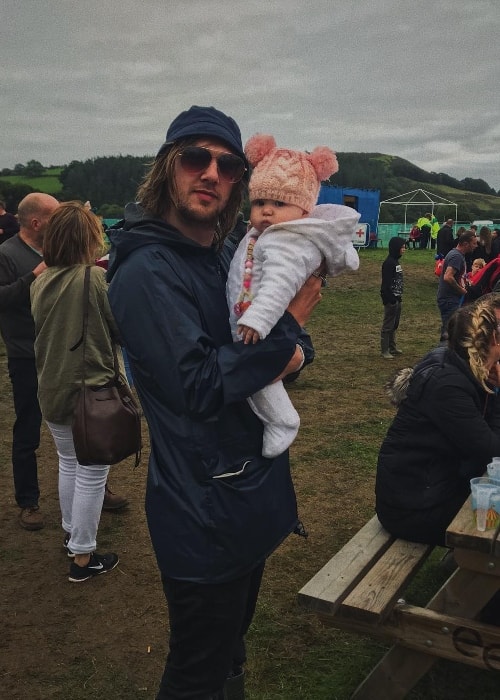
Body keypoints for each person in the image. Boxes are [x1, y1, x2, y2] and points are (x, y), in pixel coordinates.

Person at [106, 105, 323, 700]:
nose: (211, 173)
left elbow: (288, 354)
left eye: (227, 165)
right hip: (202, 512)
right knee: (198, 669)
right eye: (194, 158)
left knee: (229, 654)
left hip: (245, 494)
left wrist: (290, 348)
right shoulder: (147, 269)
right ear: (166, 168)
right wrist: (291, 331)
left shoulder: (229, 254)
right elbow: (200, 385)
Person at [227, 133, 359, 457]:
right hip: (256, 317)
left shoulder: (285, 242)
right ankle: (281, 419)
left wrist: (257, 319)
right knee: (258, 376)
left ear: (303, 210)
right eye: (260, 203)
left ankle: (282, 421)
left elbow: (279, 285)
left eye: (279, 203)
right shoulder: (268, 234)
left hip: (258, 322)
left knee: (258, 380)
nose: (267, 212)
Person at [30, 202, 121, 582]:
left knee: (69, 463)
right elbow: (118, 327)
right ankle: (83, 557)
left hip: (51, 386)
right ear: (89, 238)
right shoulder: (94, 280)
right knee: (93, 471)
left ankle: (72, 536)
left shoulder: (40, 281)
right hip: (88, 390)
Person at [376, 294, 500, 546]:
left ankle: (468, 567)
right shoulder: (447, 385)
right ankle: (472, 572)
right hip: (414, 507)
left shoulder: (463, 364)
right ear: (491, 338)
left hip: (437, 486)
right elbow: (490, 450)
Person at [0, 192, 59, 529]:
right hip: (26, 357)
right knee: (27, 430)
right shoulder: (6, 254)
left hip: (60, 352)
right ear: (36, 222)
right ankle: (28, 502)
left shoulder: (55, 249)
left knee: (81, 423)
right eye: (54, 216)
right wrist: (34, 275)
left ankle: (97, 487)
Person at [436, 230, 477, 341]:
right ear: (465, 244)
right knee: (449, 331)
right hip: (449, 299)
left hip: (450, 298)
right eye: (474, 243)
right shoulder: (456, 256)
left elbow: (456, 275)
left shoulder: (456, 254)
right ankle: (444, 354)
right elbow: (448, 277)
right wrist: (461, 290)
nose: (475, 246)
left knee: (451, 328)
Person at [380, 237, 405, 359]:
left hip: (397, 298)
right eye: (402, 247)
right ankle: (385, 350)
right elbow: (385, 285)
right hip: (391, 300)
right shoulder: (389, 263)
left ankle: (392, 346)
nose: (404, 249)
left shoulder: (396, 262)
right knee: (388, 325)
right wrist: (390, 300)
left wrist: (398, 298)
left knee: (395, 324)